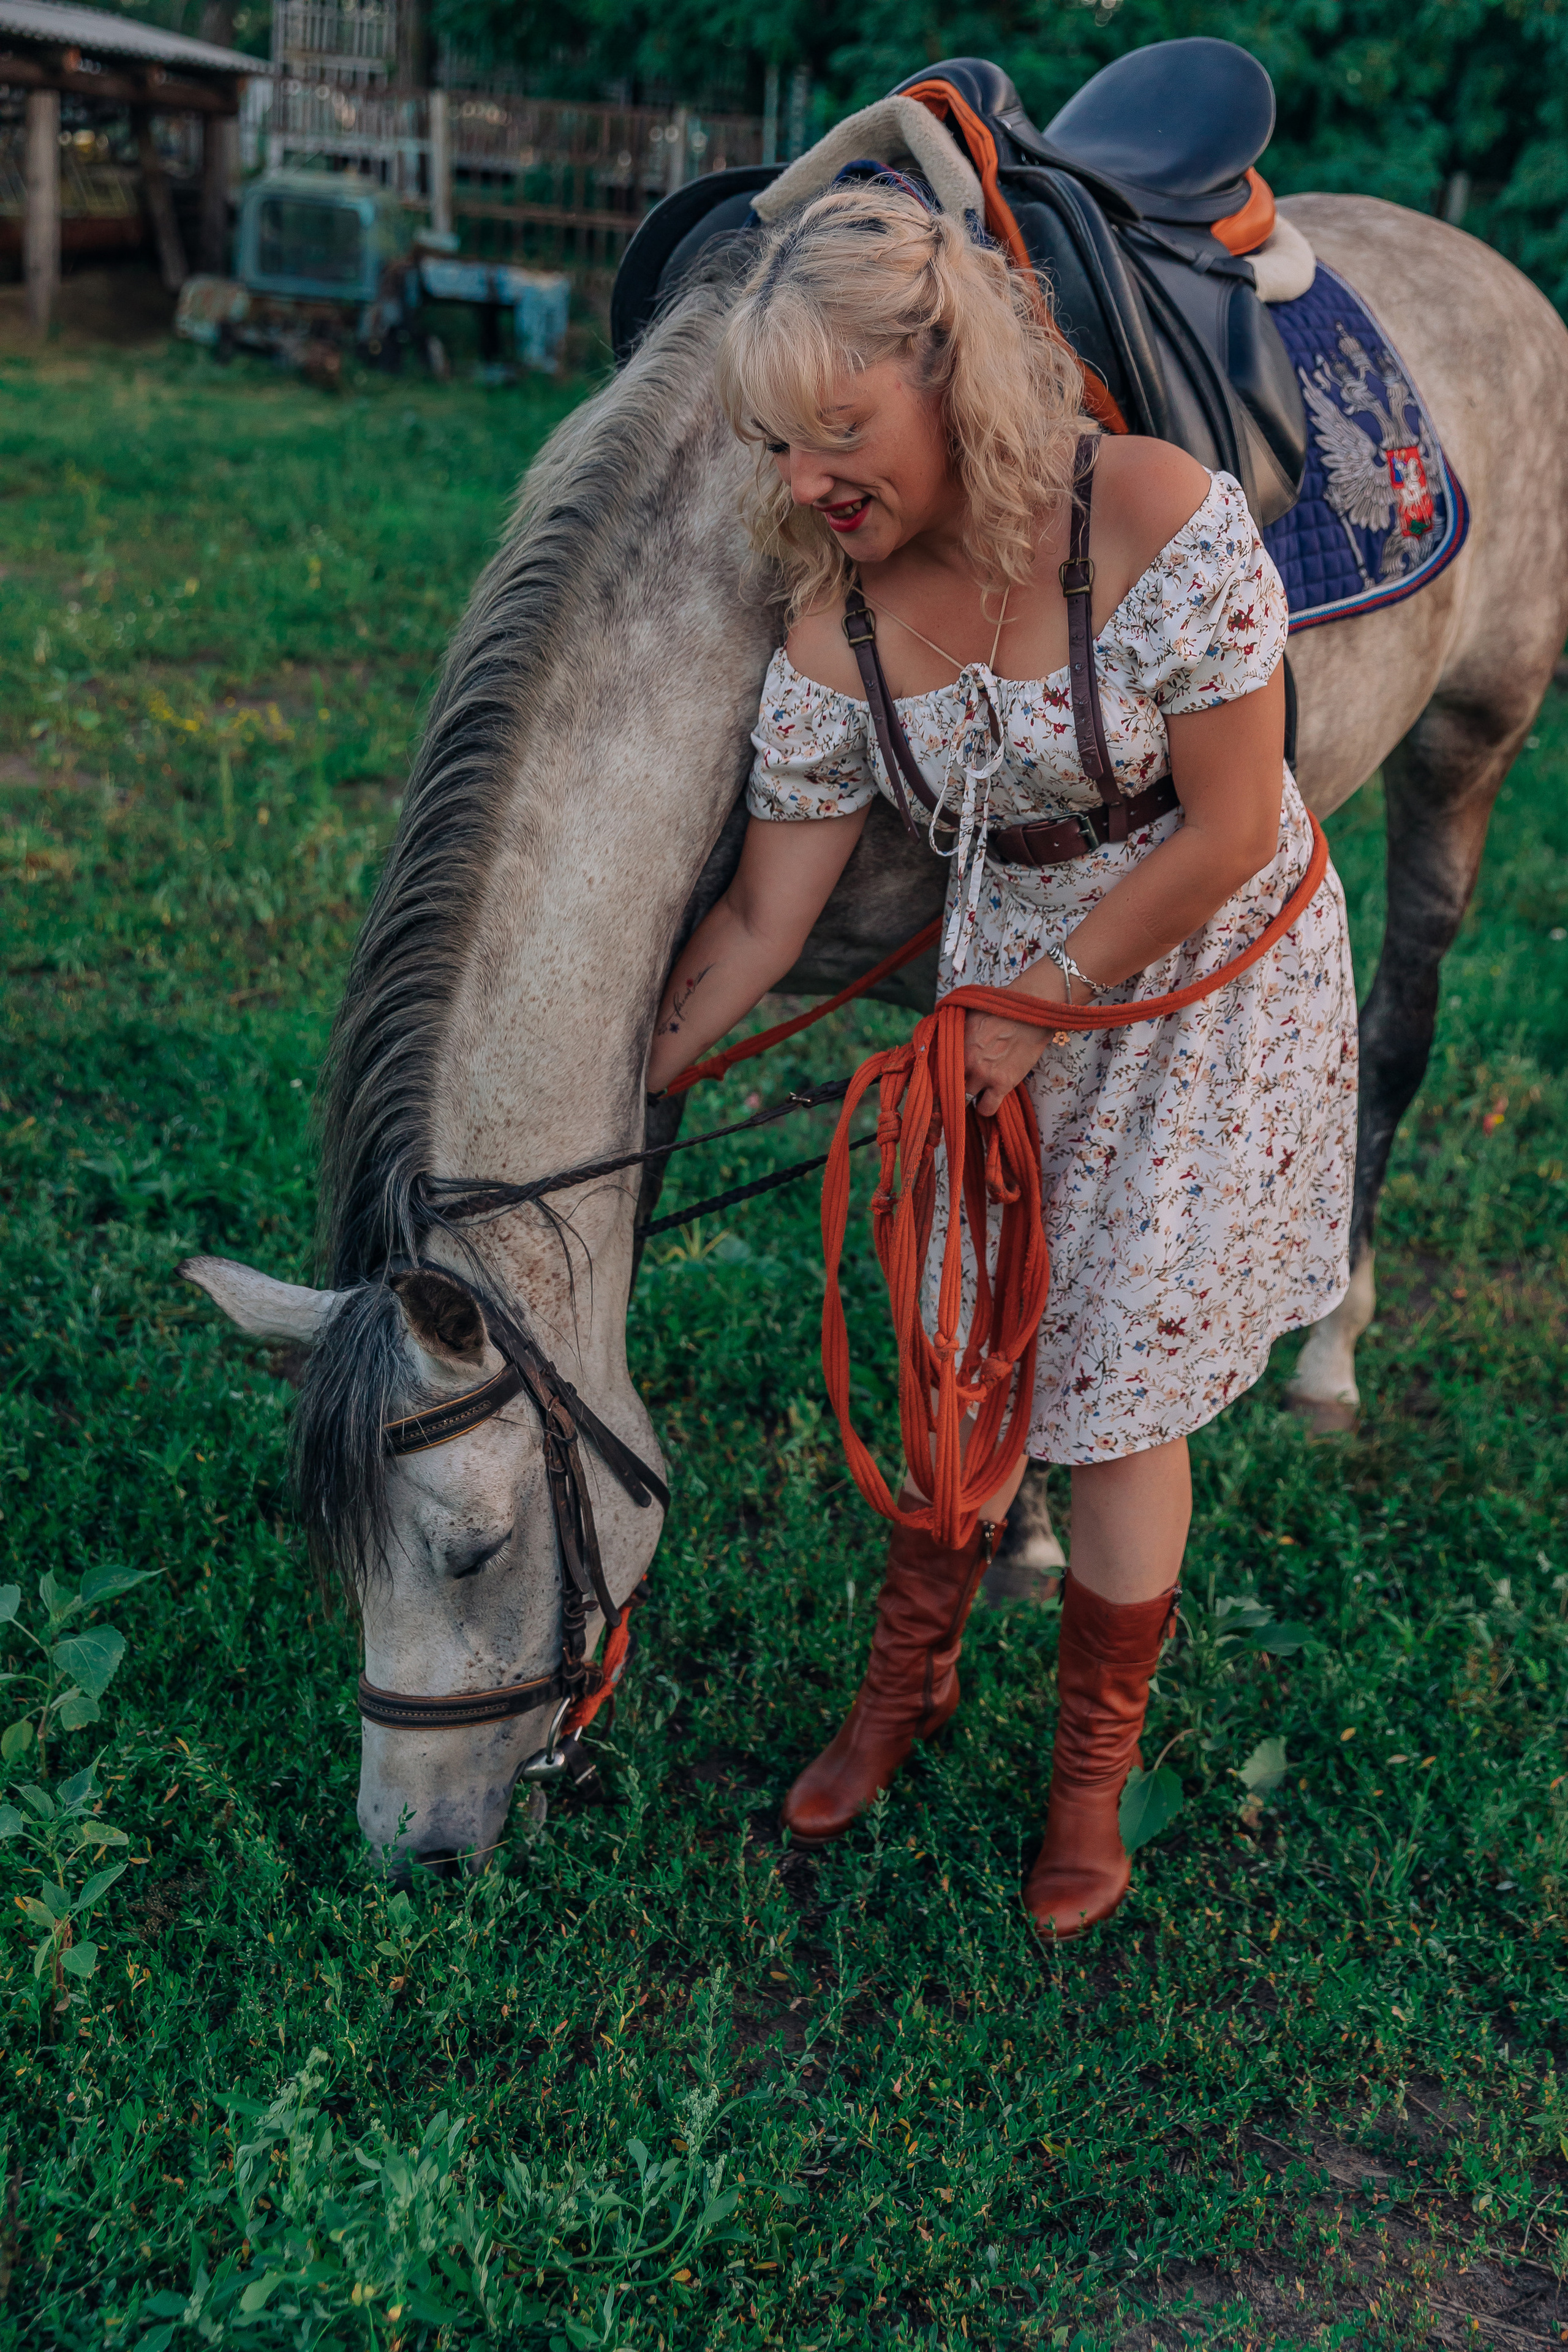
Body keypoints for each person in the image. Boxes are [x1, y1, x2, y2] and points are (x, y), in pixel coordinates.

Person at [645, 176, 1357, 1939]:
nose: (808, 486)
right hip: (1010, 985)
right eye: (782, 449)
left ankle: (1091, 1780)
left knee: (1108, 1391)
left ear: (947, 375)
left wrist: (1032, 1010)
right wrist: (624, 1082)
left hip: (1203, 975)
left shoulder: (1151, 515)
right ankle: (910, 1681)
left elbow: (1230, 821)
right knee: (961, 1347)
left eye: (838, 434)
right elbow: (757, 922)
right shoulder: (838, 629)